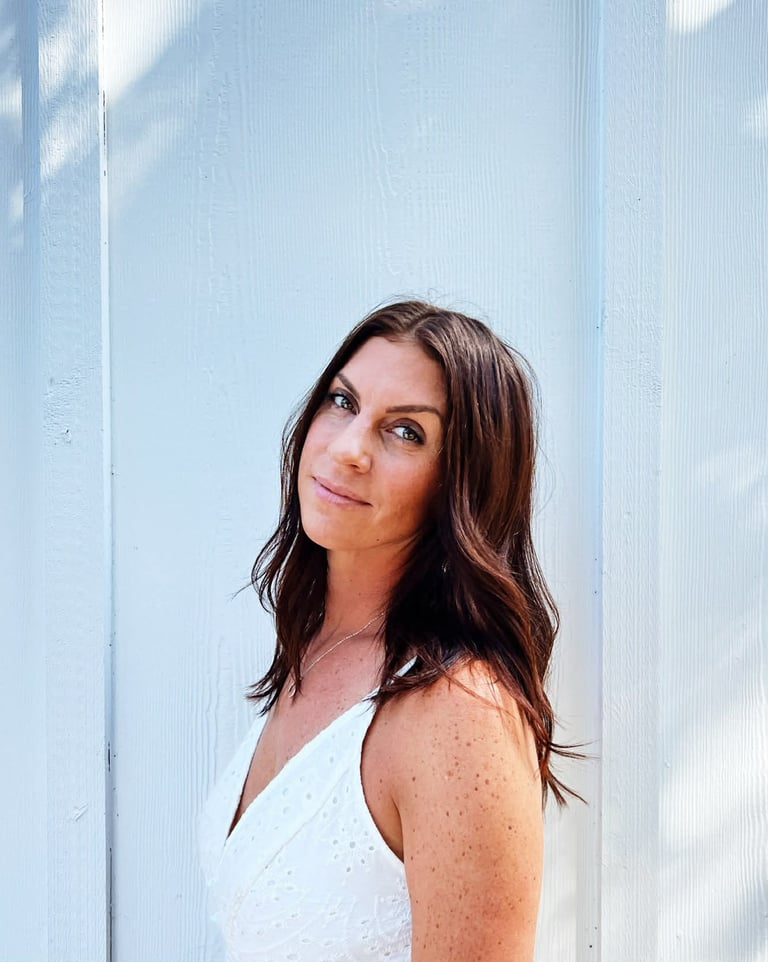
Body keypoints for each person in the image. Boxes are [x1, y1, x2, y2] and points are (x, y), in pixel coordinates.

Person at [199, 300, 573, 962]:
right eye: (342, 402)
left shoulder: (457, 712)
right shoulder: (316, 648)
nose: (347, 449)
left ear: (462, 481)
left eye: (405, 432)